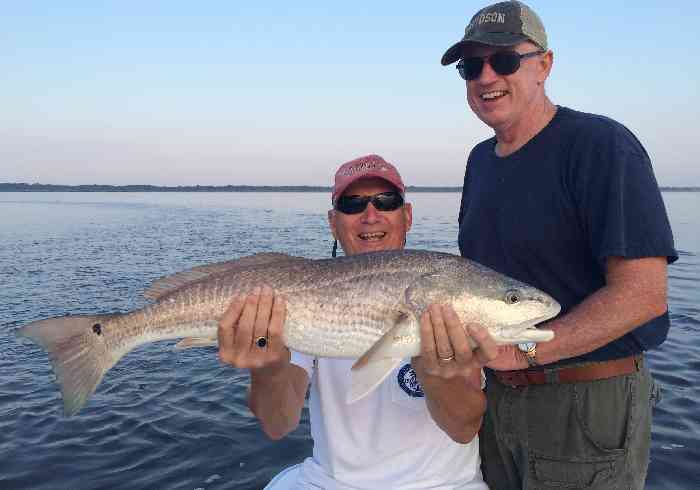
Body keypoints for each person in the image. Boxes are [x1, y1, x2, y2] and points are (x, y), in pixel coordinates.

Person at [440, 2, 677, 489]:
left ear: (544, 65)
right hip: (498, 399)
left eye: (504, 61)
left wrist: (524, 352)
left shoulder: (600, 145)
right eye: (471, 66)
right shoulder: (479, 163)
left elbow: (643, 295)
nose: (487, 77)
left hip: (586, 405)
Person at [217, 154, 496, 489]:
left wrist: (438, 374)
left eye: (386, 201)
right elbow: (278, 424)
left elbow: (463, 428)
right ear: (333, 222)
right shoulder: (302, 294)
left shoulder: (445, 290)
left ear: (407, 216)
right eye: (353, 204)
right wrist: (267, 368)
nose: (371, 215)